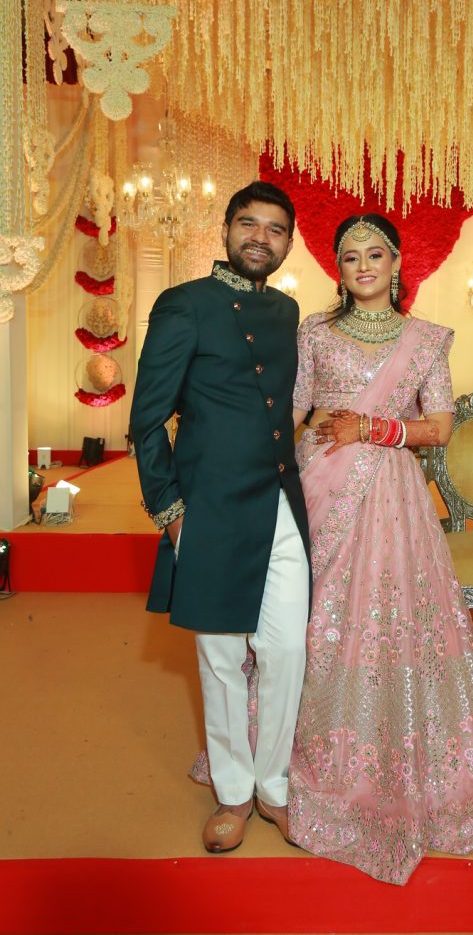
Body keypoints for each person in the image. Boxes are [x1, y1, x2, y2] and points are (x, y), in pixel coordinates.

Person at [287, 213, 473, 885]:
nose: (361, 266)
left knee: (391, 617)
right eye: (348, 257)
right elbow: (293, 407)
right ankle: (295, 751)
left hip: (391, 495)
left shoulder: (424, 340)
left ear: (396, 264)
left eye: (374, 255)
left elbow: (441, 427)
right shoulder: (312, 331)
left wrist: (371, 425)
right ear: (336, 268)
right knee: (312, 616)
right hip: (321, 486)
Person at [130, 181, 310, 853]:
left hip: (282, 503)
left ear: (288, 242)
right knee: (220, 657)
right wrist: (172, 512)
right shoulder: (183, 305)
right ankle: (234, 791)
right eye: (248, 224)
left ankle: (276, 787)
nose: (260, 238)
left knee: (287, 649)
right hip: (209, 507)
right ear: (226, 229)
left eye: (275, 229)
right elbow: (147, 418)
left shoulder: (289, 311)